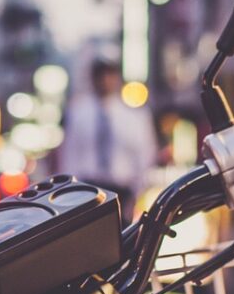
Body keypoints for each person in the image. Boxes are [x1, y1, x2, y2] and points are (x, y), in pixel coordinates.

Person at [57, 59, 158, 221]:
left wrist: (137, 190)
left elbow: (145, 153)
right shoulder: (78, 113)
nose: (105, 80)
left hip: (121, 188)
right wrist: (70, 191)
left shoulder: (133, 115)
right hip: (88, 188)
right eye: (100, 75)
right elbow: (70, 153)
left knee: (121, 238)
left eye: (109, 75)